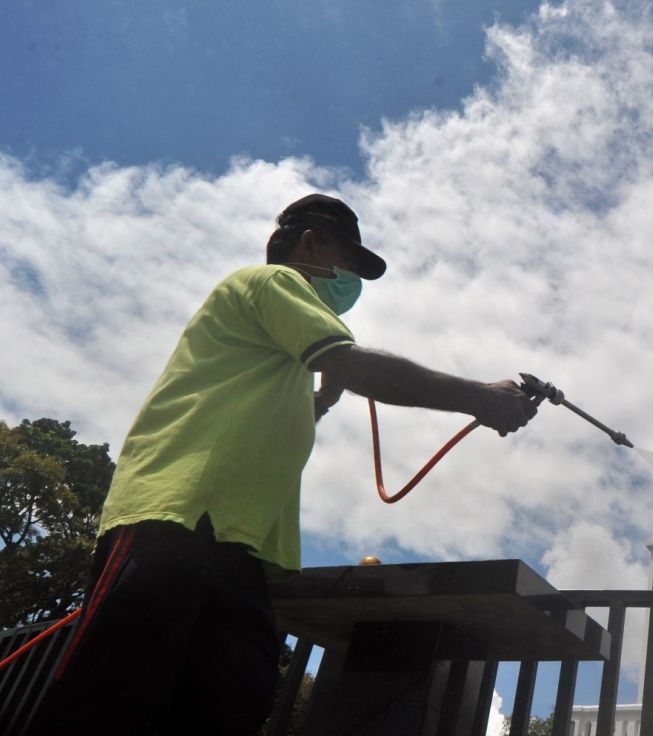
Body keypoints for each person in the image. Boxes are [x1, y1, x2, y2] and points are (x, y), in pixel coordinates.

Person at [29, 193, 538, 735]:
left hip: (236, 546)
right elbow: (350, 360)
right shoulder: (273, 283)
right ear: (309, 241)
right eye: (348, 260)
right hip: (175, 517)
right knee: (108, 701)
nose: (351, 281)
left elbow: (259, 415)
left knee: (228, 702)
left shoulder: (279, 349)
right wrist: (479, 396)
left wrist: (318, 403)